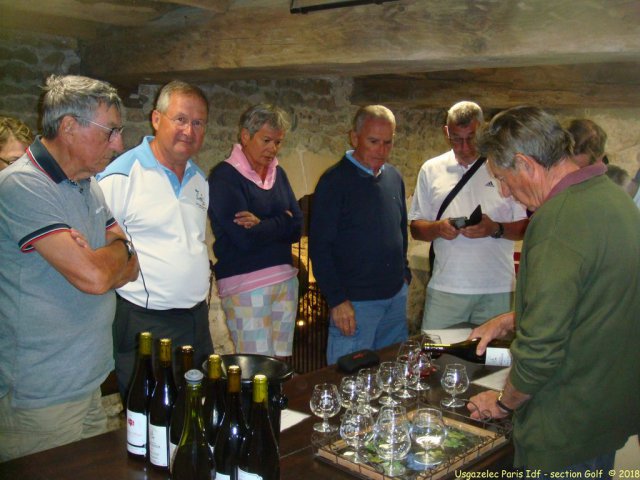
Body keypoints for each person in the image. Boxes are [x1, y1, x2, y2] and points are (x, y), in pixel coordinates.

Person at [466, 106, 640, 474]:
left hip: (563, 424)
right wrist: (512, 319)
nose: (505, 192)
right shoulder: (614, 199)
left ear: (525, 164)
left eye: (502, 178)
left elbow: (539, 353)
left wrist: (503, 403)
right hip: (603, 411)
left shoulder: (556, 221)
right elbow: (592, 298)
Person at [0, 75, 139, 461]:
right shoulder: (22, 186)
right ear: (68, 126)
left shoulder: (88, 185)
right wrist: (110, 256)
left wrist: (110, 252)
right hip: (41, 397)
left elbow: (132, 263)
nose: (118, 144)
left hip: (86, 383)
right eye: (110, 132)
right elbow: (95, 278)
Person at [97, 80, 214, 398]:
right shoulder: (120, 177)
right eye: (181, 119)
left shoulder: (199, 180)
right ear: (157, 119)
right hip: (146, 323)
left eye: (198, 123)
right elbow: (97, 250)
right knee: (151, 416)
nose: (189, 131)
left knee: (199, 408)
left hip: (196, 321)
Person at [409, 101, 528, 330]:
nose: (464, 147)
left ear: (482, 130)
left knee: (493, 352)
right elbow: (416, 229)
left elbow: (526, 227)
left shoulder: (503, 166)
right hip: (446, 287)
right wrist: (438, 228)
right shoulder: (431, 169)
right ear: (446, 132)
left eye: (471, 138)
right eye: (456, 139)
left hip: (497, 288)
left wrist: (494, 228)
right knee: (436, 349)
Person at [310, 105, 411, 365]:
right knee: (350, 379)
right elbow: (320, 248)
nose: (381, 150)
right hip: (355, 304)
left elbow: (401, 229)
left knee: (392, 373)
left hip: (395, 298)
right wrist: (337, 300)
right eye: (373, 141)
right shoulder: (334, 182)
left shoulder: (393, 177)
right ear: (354, 138)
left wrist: (404, 274)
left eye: (388, 143)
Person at [208, 104, 302, 357]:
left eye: (278, 142)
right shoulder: (224, 177)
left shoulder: (279, 174)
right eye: (266, 140)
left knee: (281, 365)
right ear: (245, 136)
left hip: (285, 281)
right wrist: (282, 221)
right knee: (257, 367)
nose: (273, 148)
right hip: (246, 285)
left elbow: (297, 228)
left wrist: (262, 224)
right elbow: (244, 239)